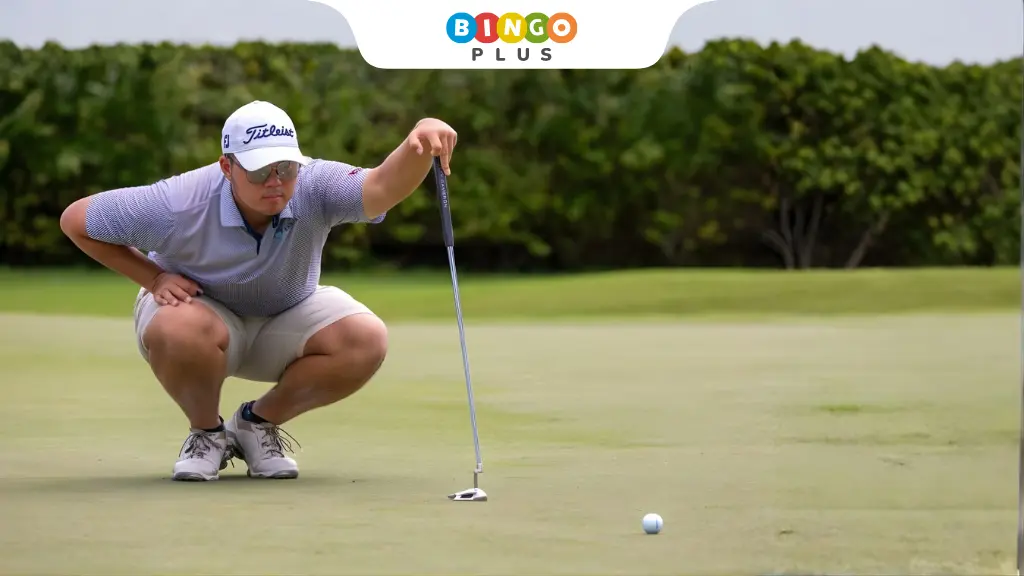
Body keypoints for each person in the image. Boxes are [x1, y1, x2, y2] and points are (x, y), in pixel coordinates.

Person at [59, 100, 457, 482]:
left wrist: (418, 143)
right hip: (201, 316)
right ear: (226, 167)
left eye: (286, 168)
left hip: (286, 313)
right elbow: (76, 220)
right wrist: (154, 278)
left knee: (366, 338)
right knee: (177, 328)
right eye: (259, 171)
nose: (275, 182)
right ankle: (207, 434)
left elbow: (382, 186)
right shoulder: (177, 202)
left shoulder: (315, 184)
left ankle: (255, 425)